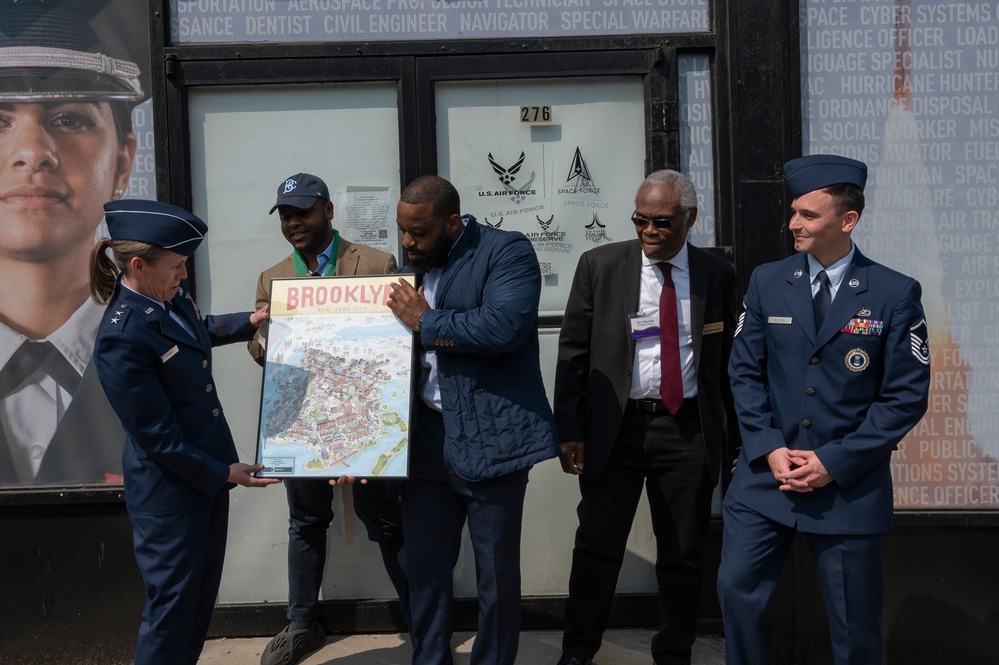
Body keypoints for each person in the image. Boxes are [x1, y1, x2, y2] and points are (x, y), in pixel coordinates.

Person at [717, 154, 931, 665]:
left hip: (848, 487)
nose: (794, 224)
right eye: (794, 212)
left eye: (808, 215)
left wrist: (834, 462)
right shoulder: (767, 281)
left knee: (855, 631)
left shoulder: (894, 292)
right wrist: (767, 447)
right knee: (736, 594)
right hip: (766, 479)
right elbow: (743, 373)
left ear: (847, 220)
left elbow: (904, 396)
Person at [552, 170, 739, 665]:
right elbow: (572, 353)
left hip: (687, 430)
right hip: (617, 428)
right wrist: (569, 430)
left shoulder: (716, 273)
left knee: (682, 550)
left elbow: (730, 365)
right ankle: (578, 651)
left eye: (662, 222)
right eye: (640, 220)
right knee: (597, 546)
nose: (649, 231)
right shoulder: (601, 265)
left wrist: (738, 443)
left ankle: (674, 650)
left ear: (689, 219)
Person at [89, 199, 281, 665]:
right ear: (138, 265)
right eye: (175, 266)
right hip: (172, 494)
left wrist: (249, 322)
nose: (183, 275)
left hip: (208, 480)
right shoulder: (122, 335)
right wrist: (225, 472)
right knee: (171, 610)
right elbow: (158, 437)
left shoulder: (167, 299)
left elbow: (198, 329)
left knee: (197, 605)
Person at [386, 175, 559, 665]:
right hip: (426, 439)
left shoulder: (508, 252)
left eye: (418, 233)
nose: (407, 243)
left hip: (494, 438)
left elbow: (503, 326)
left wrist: (426, 322)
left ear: (452, 223)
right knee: (425, 568)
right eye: (402, 231)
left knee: (496, 575)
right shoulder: (414, 267)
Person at [249, 173, 411, 665]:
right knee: (305, 520)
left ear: (328, 211)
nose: (295, 223)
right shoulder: (272, 276)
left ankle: (421, 617)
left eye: (303, 212)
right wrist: (266, 338)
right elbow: (262, 353)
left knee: (387, 520)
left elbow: (398, 340)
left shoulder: (376, 263)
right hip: (302, 424)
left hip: (366, 418)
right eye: (286, 215)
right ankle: (301, 623)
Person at [0, 1, 141, 484]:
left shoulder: (156, 339)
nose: (33, 153)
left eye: (69, 119)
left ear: (123, 162)